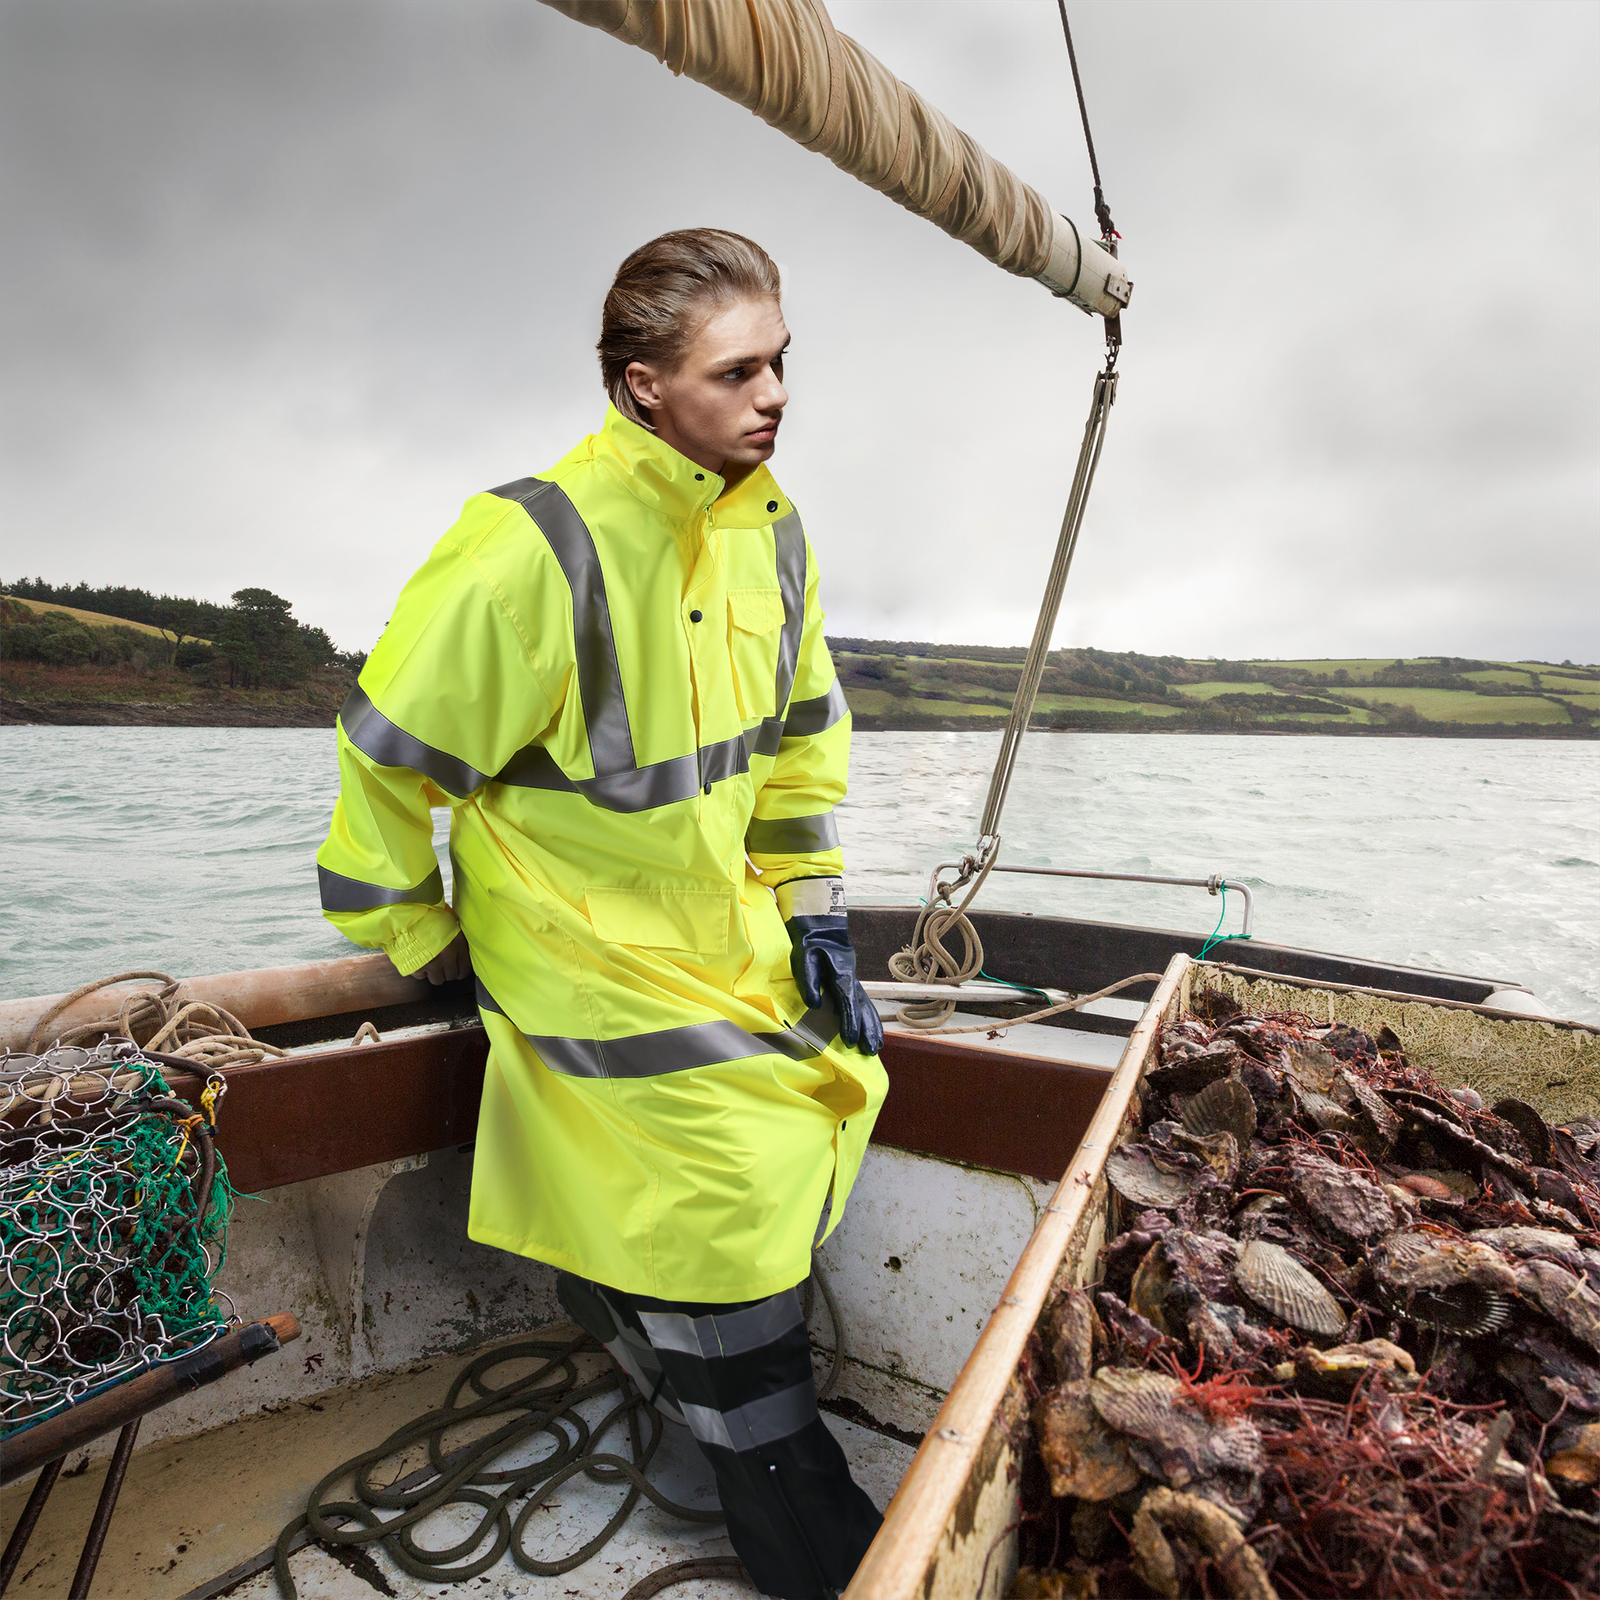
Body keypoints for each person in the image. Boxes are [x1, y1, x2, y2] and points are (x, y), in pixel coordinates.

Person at [316, 228, 888, 1597]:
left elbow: (806, 742)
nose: (775, 396)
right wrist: (421, 938)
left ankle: (674, 1391)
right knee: (723, 1182)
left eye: (782, 363)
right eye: (739, 369)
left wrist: (815, 916)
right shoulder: (529, 541)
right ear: (641, 387)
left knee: (833, 1095)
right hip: (570, 944)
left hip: (717, 931)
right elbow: (386, 758)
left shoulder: (777, 532)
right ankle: (785, 1498)